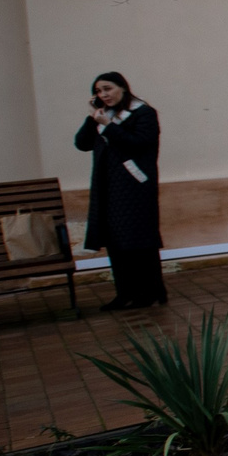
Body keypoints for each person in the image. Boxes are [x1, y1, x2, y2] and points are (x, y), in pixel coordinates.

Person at [75, 72, 165, 309]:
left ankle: (150, 292)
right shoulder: (102, 116)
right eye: (98, 91)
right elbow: (81, 144)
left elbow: (139, 143)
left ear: (122, 88)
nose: (103, 94)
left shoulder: (143, 113)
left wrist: (108, 127)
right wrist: (93, 120)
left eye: (108, 88)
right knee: (115, 241)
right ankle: (124, 293)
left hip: (135, 186)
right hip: (108, 186)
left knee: (138, 241)